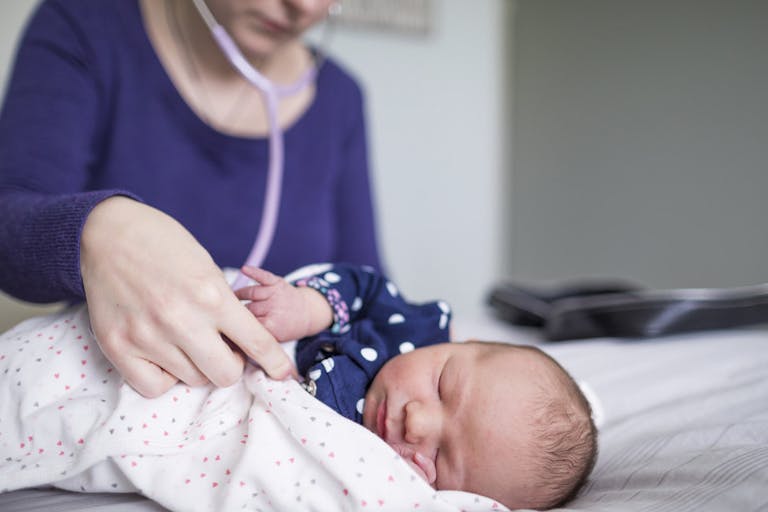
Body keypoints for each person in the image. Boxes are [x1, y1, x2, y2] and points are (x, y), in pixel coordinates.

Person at [0, 0, 381, 399]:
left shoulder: (340, 98)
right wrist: (99, 232)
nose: (303, 6)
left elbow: (371, 292)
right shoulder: (84, 25)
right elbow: (11, 220)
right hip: (111, 404)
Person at [236, 263, 599, 510]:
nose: (417, 423)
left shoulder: (378, 474)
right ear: (459, 343)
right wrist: (309, 308)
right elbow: (364, 286)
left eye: (441, 459)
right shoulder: (409, 329)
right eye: (442, 387)